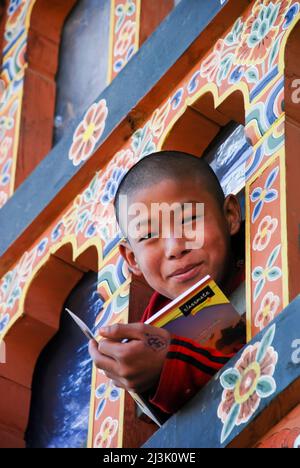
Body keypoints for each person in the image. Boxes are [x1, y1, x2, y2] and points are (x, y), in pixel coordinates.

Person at [89, 151, 245, 416]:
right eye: (149, 235)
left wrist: (171, 363)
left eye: (188, 219)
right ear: (132, 259)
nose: (175, 248)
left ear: (230, 215)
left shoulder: (269, 252)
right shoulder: (148, 335)